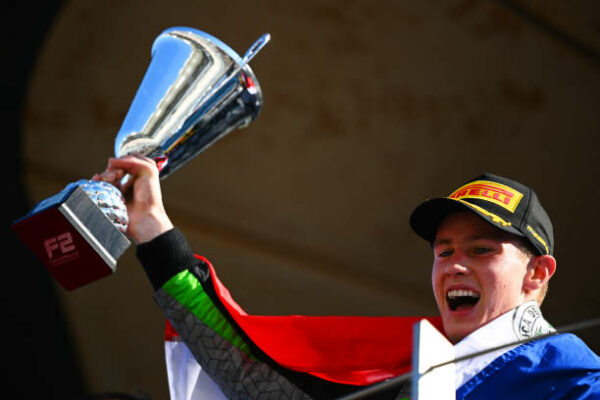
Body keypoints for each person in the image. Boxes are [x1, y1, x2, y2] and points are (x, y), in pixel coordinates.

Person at [93, 155, 600, 399]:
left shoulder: (576, 380)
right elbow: (255, 374)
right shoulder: (407, 364)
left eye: (481, 250)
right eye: (443, 251)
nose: (455, 265)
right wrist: (156, 234)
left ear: (537, 273)